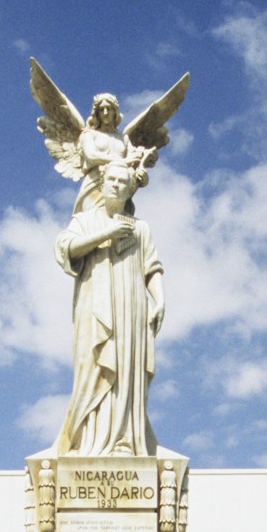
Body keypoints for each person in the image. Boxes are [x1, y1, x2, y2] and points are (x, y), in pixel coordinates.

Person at [54, 161, 164, 457]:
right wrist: (106, 233)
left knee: (127, 369)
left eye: (122, 181)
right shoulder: (84, 220)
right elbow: (65, 249)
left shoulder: (140, 228)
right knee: (92, 365)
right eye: (111, 179)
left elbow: (151, 267)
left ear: (131, 189)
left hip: (131, 306)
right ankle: (86, 441)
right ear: (101, 184)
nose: (116, 184)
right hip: (95, 304)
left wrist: (159, 299)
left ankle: (123, 441)